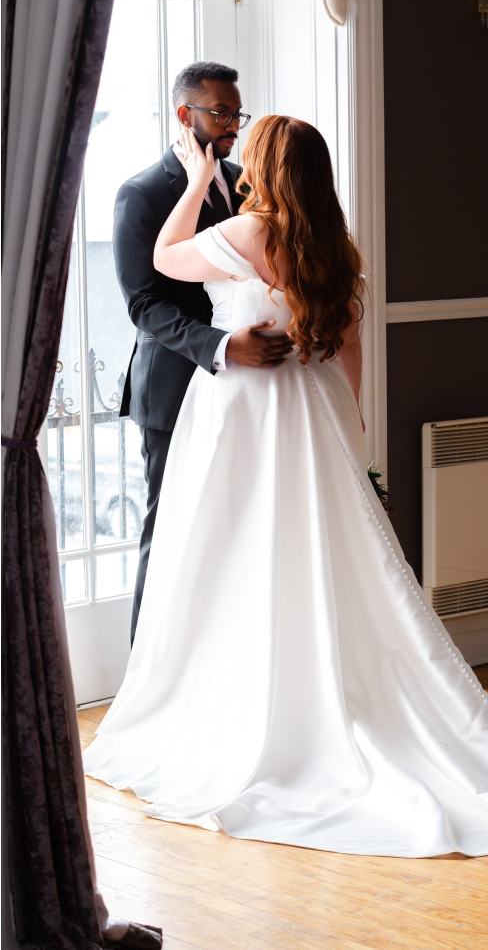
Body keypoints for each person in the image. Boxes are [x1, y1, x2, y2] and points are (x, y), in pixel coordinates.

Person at [84, 115, 488, 857]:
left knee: (230, 551)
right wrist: (354, 435)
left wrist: (190, 181)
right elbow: (350, 355)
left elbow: (164, 258)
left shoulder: (250, 234)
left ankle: (248, 701)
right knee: (316, 550)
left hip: (244, 413)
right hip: (313, 414)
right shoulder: (336, 248)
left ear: (268, 167)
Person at [113, 61, 293, 642]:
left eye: (237, 113)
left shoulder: (249, 181)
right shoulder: (140, 193)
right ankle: (144, 675)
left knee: (240, 530)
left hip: (253, 390)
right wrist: (223, 346)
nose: (232, 125)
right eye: (221, 113)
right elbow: (144, 304)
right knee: (168, 530)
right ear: (184, 114)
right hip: (175, 384)